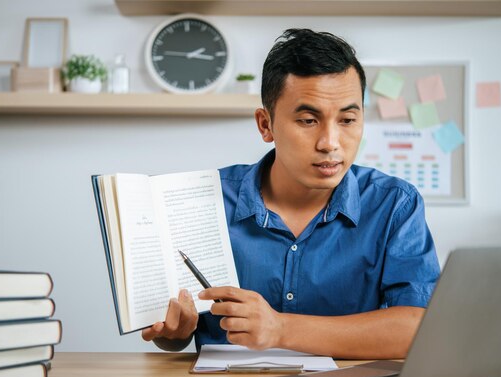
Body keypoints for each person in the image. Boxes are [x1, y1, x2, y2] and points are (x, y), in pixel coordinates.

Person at [142, 28, 440, 359]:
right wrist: (175, 331)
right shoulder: (200, 202)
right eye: (309, 120)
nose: (330, 142)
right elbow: (176, 333)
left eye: (348, 119)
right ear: (265, 125)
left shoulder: (394, 204)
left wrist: (280, 329)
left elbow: (418, 327)